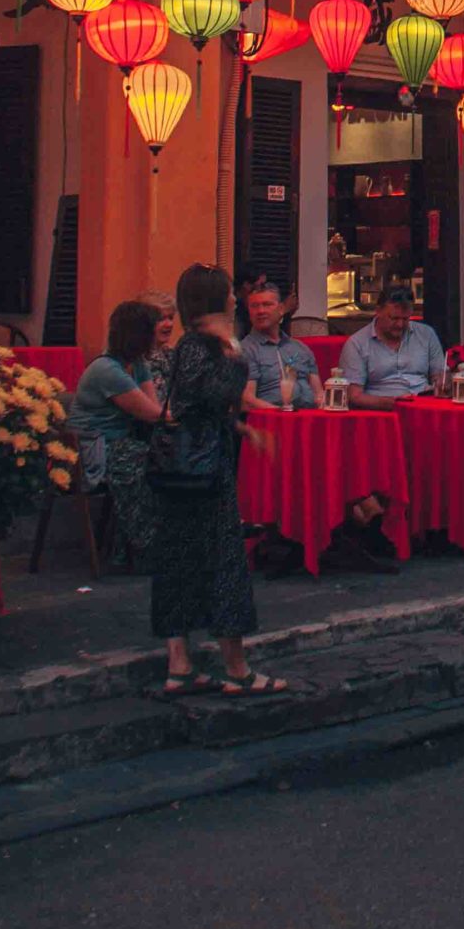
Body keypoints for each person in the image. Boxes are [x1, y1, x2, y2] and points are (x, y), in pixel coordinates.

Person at [151, 263, 288, 697]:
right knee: (224, 563)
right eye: (230, 292)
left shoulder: (193, 347)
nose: (237, 297)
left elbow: (198, 408)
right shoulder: (203, 346)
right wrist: (233, 357)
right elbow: (212, 396)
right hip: (203, 474)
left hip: (187, 466)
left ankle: (181, 666)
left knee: (180, 563)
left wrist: (244, 430)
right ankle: (237, 669)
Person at [68, 300, 165, 572]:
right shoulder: (108, 371)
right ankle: (144, 548)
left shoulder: (137, 364)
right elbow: (151, 413)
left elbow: (153, 405)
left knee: (160, 459)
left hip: (119, 442)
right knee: (147, 463)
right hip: (93, 450)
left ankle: (130, 551)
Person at [340, 285, 445, 406]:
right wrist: (394, 403)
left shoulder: (426, 334)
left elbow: (439, 377)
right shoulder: (357, 344)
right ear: (378, 311)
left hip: (423, 405)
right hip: (382, 411)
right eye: (394, 318)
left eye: (405, 319)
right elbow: (354, 396)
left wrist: (442, 384)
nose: (400, 325)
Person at [240, 282, 324, 411]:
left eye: (267, 305)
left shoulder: (300, 348)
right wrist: (282, 415)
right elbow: (247, 401)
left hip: (310, 418)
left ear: (281, 309)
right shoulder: (246, 350)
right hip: (272, 420)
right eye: (254, 306)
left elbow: (319, 393)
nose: (261, 311)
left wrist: (322, 404)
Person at [139, 290, 178, 394]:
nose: (169, 324)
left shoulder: (170, 353)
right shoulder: (139, 359)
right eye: (161, 319)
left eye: (170, 318)